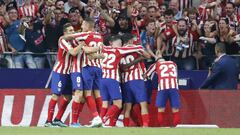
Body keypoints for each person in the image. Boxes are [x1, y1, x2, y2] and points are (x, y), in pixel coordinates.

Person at [99, 34, 145, 127]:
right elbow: (138, 48)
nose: (120, 45)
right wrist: (133, 46)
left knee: (105, 103)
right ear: (112, 43)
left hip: (102, 79)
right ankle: (103, 120)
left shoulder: (104, 49)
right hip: (113, 80)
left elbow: (97, 50)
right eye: (119, 43)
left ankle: (99, 120)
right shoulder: (119, 50)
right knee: (119, 105)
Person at [45, 23, 84, 127]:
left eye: (73, 30)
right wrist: (82, 44)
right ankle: (48, 121)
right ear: (65, 33)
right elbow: (73, 52)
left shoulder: (74, 41)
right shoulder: (63, 41)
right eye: (70, 31)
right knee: (55, 95)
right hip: (60, 72)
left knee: (68, 97)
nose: (73, 32)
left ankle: (58, 119)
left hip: (69, 73)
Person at [145, 52, 181, 127]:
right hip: (174, 87)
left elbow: (146, 75)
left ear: (156, 60)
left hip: (162, 88)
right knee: (175, 109)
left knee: (161, 109)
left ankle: (161, 127)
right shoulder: (173, 63)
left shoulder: (156, 64)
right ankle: (175, 127)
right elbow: (176, 76)